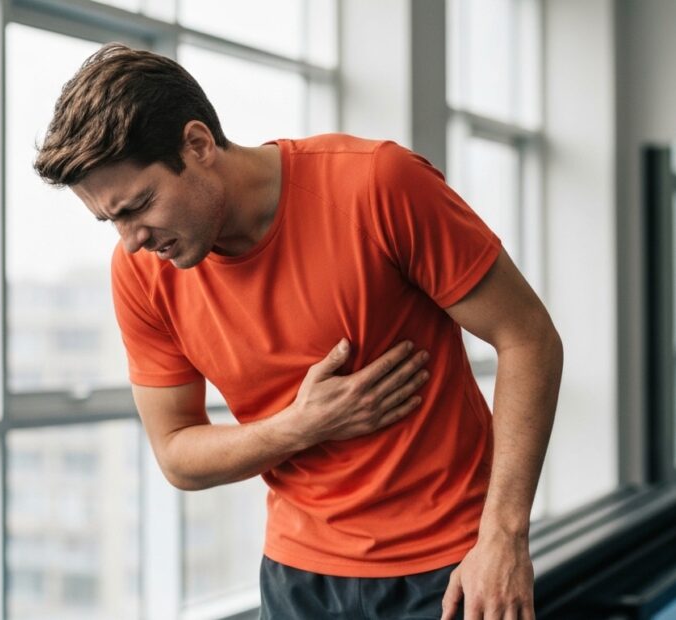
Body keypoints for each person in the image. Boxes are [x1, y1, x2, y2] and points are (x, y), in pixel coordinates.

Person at [34, 43, 563, 619]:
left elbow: (528, 337)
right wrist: (302, 425)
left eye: (139, 205)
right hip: (297, 579)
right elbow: (177, 453)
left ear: (198, 144)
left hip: (450, 567)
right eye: (110, 220)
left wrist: (504, 538)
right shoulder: (140, 272)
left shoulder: (377, 185)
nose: (132, 239)